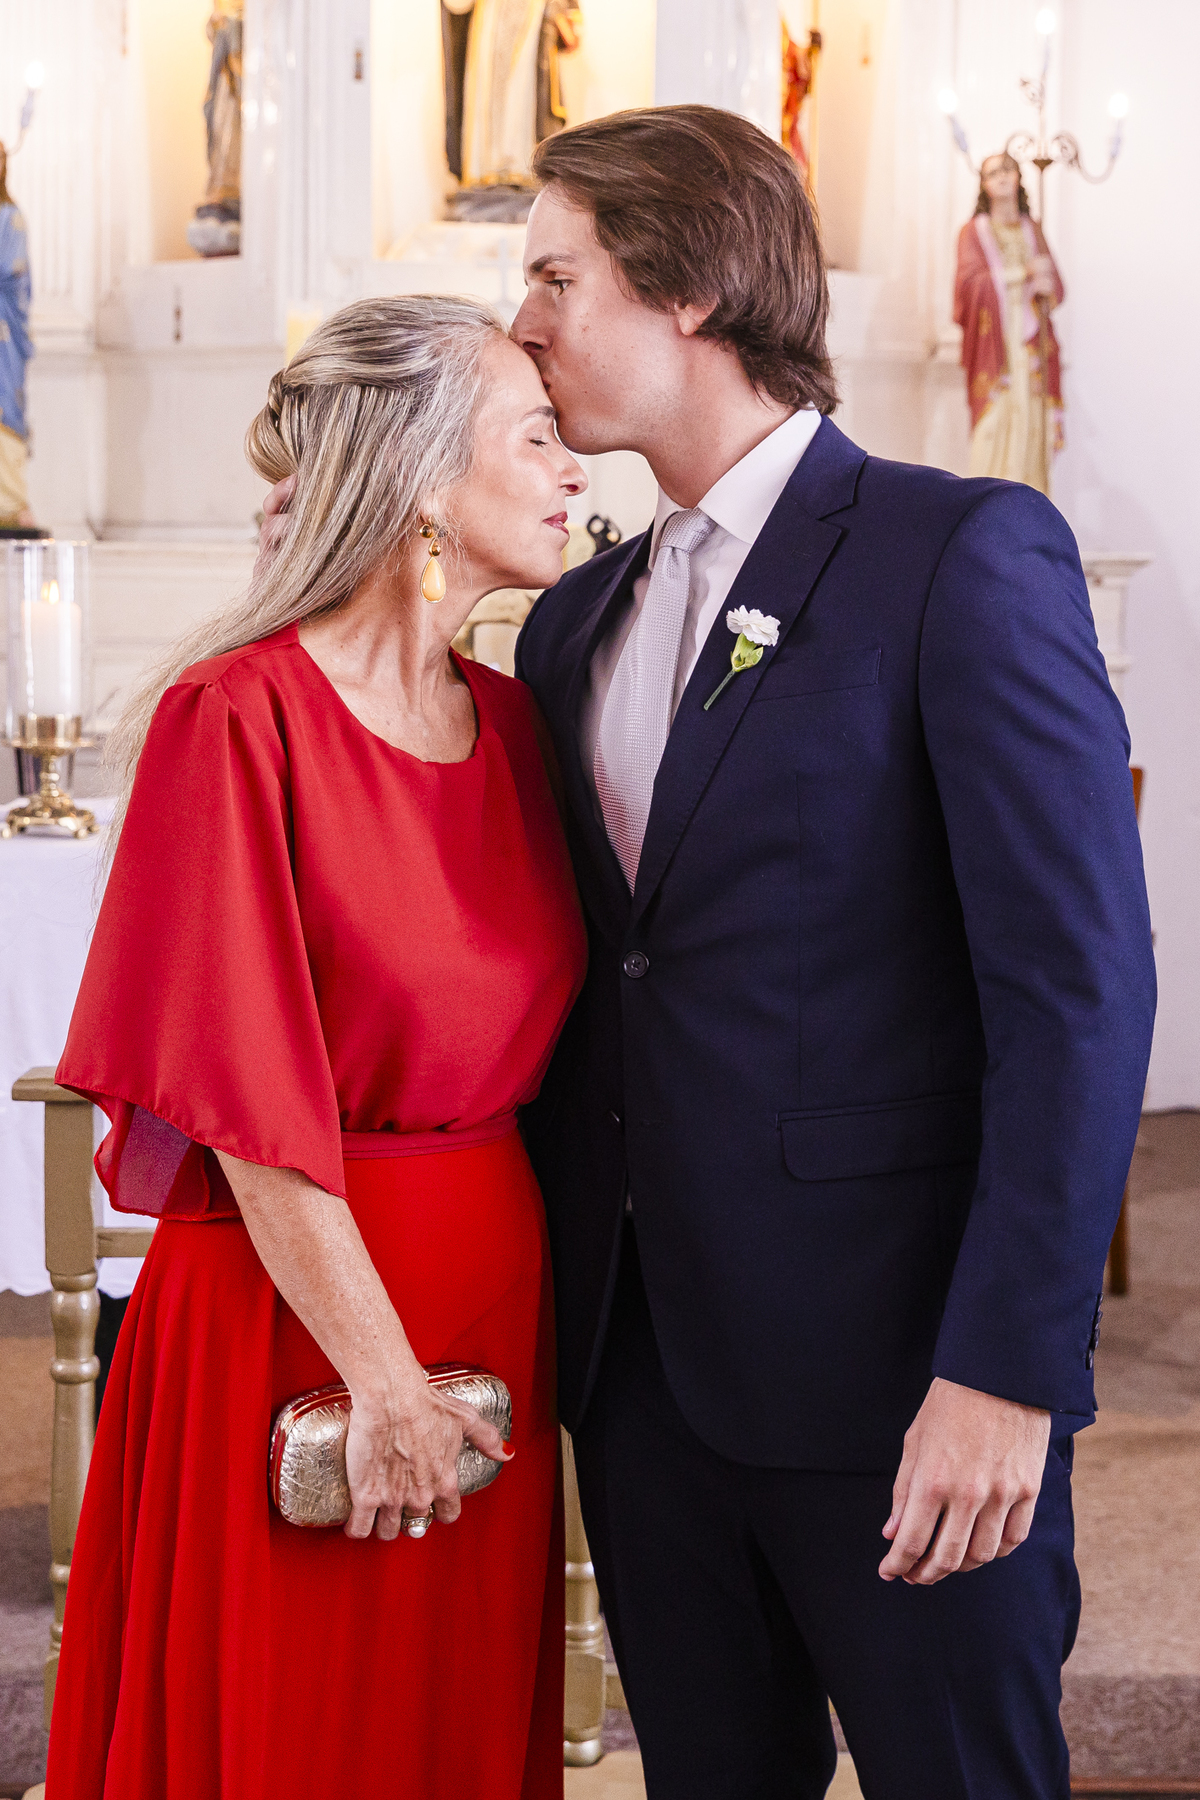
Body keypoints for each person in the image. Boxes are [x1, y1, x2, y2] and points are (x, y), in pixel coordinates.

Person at [507, 106, 1153, 1797]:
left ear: (691, 287)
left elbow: (1076, 997)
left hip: (901, 1378)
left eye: (558, 278)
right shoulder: (571, 623)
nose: (525, 322)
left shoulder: (957, 552)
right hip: (642, 1383)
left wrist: (1007, 1373)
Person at [45, 296, 588, 1799]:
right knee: (290, 1731)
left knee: (446, 1726)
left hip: (491, 1296)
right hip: (298, 1317)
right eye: (534, 437)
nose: (573, 470)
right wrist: (385, 1378)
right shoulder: (235, 716)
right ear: (423, 482)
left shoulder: (519, 725)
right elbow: (241, 1097)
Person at [955, 150, 1065, 495]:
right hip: (996, 344)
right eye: (993, 172)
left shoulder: (1033, 229)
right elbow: (967, 288)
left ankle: (1031, 504)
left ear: (1019, 178)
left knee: (1032, 422)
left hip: (1031, 344)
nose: (1002, 176)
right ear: (984, 185)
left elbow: (1057, 287)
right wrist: (1021, 274)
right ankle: (990, 504)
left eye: (1008, 169)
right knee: (995, 424)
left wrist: (1046, 286)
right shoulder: (973, 232)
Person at [0, 139, 35, 529]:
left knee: (4, 404)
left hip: (3, 331)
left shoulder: (10, 217)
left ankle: (9, 502)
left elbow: (11, 269)